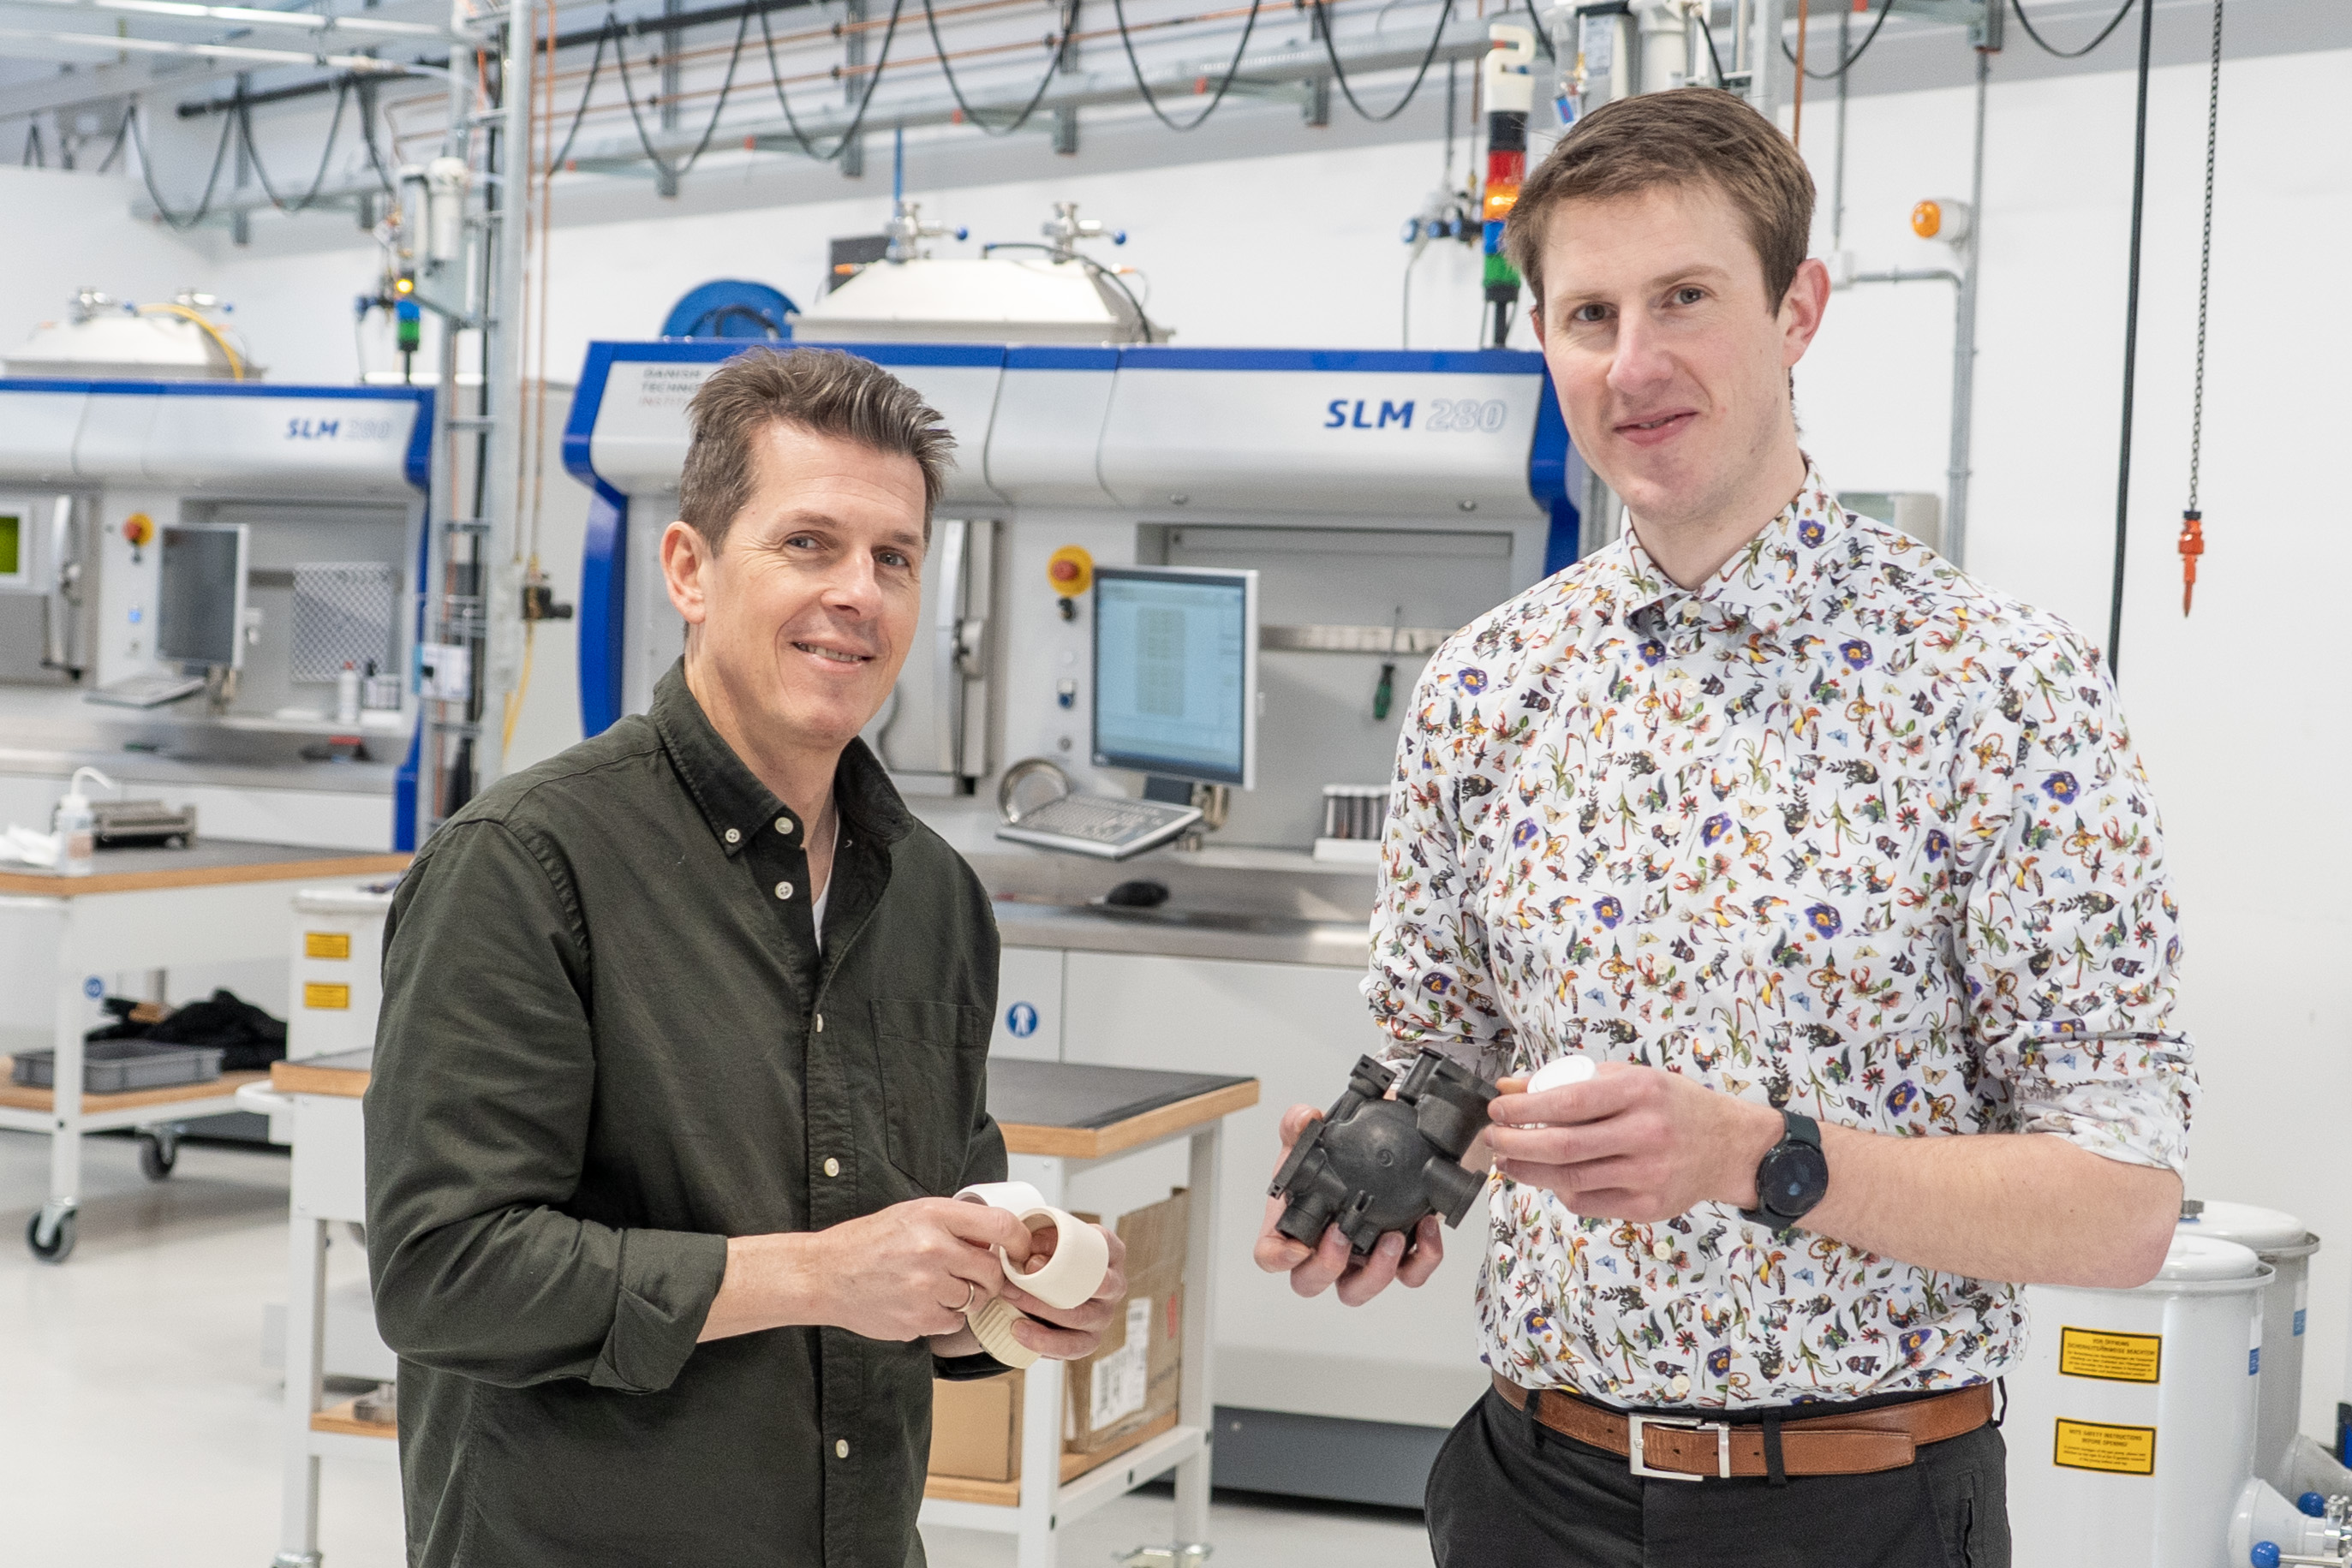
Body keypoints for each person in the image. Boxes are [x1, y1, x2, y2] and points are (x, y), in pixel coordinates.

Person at [1254, 86, 2194, 1567]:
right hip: (1527, 1490)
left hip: (1857, 1507)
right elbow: (1449, 1059)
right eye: (1588, 315)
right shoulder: (1491, 682)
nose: (1633, 365)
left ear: (1795, 310)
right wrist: (1392, 1170)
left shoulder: (1998, 684)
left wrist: (1756, 1157)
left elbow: (2119, 1209)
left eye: (1683, 297)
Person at [366, 347, 1125, 1567]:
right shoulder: (525, 865)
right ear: (690, 569)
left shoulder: (932, 896)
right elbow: (444, 1275)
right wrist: (818, 1275)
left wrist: (1007, 1295)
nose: (857, 593)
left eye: (893, 559)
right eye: (808, 544)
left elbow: (926, 1255)